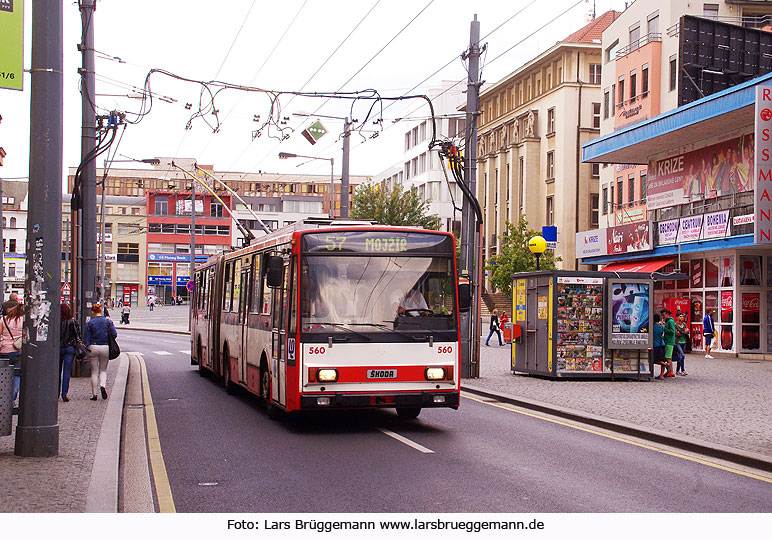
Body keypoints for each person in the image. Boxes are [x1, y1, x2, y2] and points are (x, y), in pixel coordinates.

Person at [83, 303, 117, 401]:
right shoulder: (108, 322)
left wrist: (87, 349)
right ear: (101, 311)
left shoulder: (90, 323)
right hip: (105, 347)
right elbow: (114, 334)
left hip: (93, 347)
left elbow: (86, 339)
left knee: (94, 371)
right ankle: (102, 385)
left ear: (92, 312)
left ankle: (94, 394)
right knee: (103, 370)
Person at [1, 303, 24, 407]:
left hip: (4, 350)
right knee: (16, 375)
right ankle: (12, 398)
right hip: (18, 350)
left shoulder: (3, 320)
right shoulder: (24, 320)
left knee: (3, 374)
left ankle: (3, 396)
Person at [59, 303, 82, 402]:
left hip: (58, 348)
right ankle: (64, 394)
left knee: (57, 372)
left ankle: (55, 393)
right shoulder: (73, 322)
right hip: (70, 348)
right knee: (67, 372)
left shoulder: (56, 321)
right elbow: (78, 335)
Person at [661, 308, 676, 378]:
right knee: (667, 357)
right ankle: (669, 371)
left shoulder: (670, 322)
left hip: (669, 341)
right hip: (667, 341)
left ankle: (671, 371)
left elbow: (672, 332)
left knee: (668, 357)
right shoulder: (667, 321)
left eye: (664, 315)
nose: (663, 317)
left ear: (667, 314)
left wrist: (664, 328)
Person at [652, 313, 667, 379]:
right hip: (662, 344)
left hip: (655, 345)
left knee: (653, 359)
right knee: (662, 359)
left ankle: (665, 364)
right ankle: (661, 374)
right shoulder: (661, 327)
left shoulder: (652, 327)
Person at [674, 310, 689, 376]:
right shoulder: (675, 324)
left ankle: (679, 370)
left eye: (682, 316)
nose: (682, 318)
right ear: (677, 317)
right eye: (680, 316)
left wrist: (682, 332)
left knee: (681, 356)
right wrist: (683, 332)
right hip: (678, 342)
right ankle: (681, 370)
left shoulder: (684, 324)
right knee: (682, 355)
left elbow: (687, 331)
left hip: (684, 342)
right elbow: (677, 333)